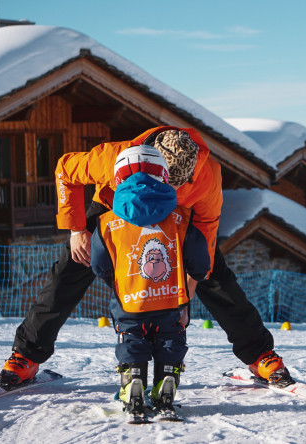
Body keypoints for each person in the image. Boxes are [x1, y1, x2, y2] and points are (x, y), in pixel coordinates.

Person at [0, 127, 293, 390]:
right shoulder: (112, 157)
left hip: (175, 222)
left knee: (217, 278)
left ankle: (260, 355)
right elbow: (65, 169)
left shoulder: (207, 175)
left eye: (179, 187)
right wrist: (77, 229)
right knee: (68, 273)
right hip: (116, 208)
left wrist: (192, 280)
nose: (173, 190)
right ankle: (26, 357)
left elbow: (207, 231)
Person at [90, 144, 210, 415]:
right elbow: (199, 260)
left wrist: (117, 280)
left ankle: (133, 379)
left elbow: (98, 264)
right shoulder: (181, 218)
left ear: (118, 177)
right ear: (164, 176)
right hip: (171, 300)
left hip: (129, 300)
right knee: (171, 338)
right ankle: (166, 379)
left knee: (131, 338)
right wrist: (197, 276)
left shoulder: (106, 222)